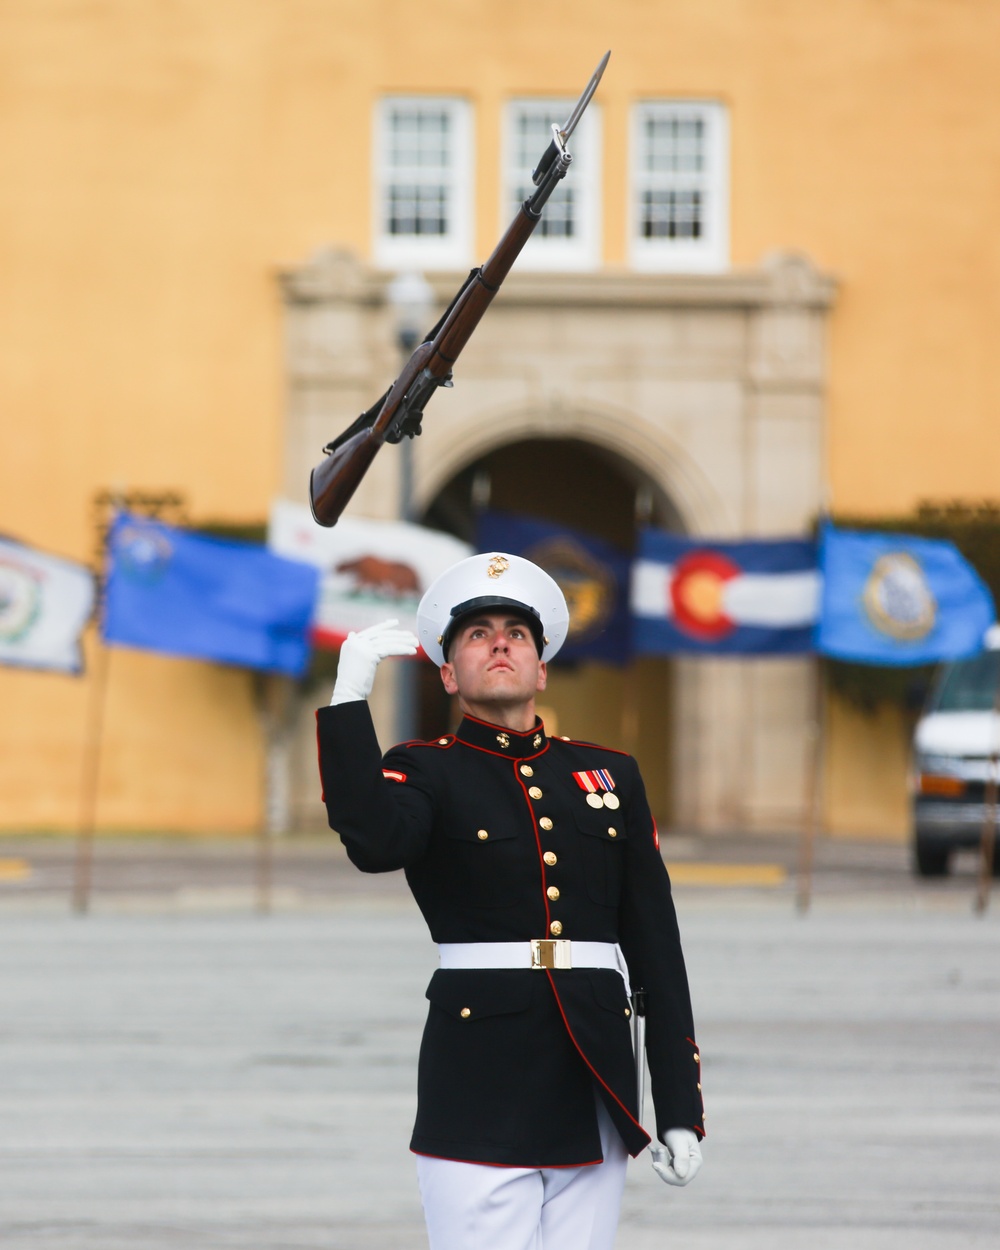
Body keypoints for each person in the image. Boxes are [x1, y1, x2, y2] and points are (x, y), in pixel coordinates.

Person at [316, 551, 704, 1250]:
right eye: (477, 634)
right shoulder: (422, 768)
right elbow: (374, 844)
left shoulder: (609, 774)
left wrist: (679, 1106)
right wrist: (349, 703)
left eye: (516, 633)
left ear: (542, 666)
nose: (499, 642)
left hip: (594, 1075)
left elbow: (656, 950)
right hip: (479, 1079)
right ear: (448, 672)